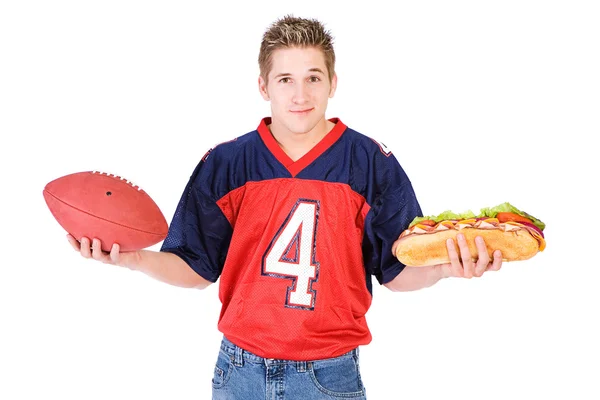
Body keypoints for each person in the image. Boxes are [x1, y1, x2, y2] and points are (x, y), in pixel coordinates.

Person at [67, 15, 503, 400]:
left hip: (328, 372)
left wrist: (447, 268)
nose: (300, 94)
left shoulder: (369, 162)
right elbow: (196, 269)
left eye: (313, 78)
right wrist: (133, 259)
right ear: (263, 86)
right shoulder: (227, 163)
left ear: (334, 83)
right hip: (238, 370)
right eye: (285, 80)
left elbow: (398, 271)